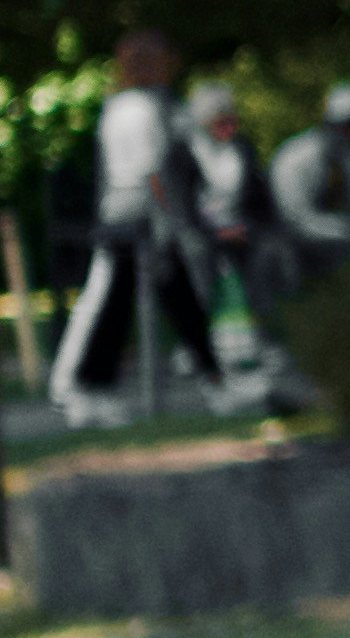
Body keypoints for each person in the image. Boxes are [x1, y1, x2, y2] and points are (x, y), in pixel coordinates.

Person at [45, 31, 233, 418]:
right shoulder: (147, 109)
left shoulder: (120, 107)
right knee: (149, 299)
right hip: (143, 217)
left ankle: (94, 385)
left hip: (121, 212)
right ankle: (91, 386)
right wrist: (173, 221)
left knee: (134, 300)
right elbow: (153, 173)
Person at [266, 85, 350, 264]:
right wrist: (348, 229)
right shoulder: (295, 158)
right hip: (292, 241)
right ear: (329, 123)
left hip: (342, 239)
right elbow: (294, 219)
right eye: (346, 125)